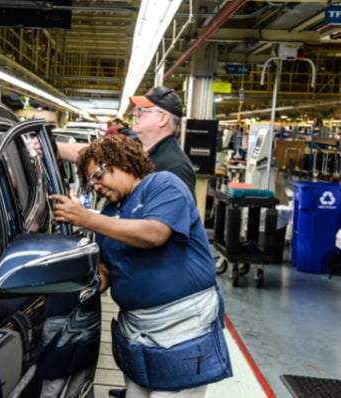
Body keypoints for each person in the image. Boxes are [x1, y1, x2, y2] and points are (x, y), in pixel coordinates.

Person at [49, 135, 232, 398]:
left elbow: (154, 234)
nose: (96, 186)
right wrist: (82, 288)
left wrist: (87, 218)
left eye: (98, 176)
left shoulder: (163, 185)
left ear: (121, 162)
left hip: (181, 328)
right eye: (91, 183)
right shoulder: (112, 211)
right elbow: (108, 268)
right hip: (136, 331)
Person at [54, 86, 196, 200]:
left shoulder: (175, 167)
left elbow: (164, 228)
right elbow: (92, 152)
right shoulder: (135, 148)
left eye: (142, 110)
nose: (135, 114)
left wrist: (87, 219)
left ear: (163, 118)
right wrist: (53, 148)